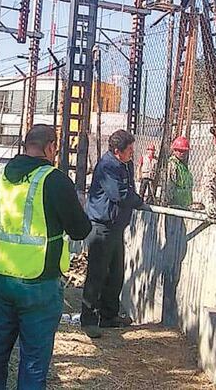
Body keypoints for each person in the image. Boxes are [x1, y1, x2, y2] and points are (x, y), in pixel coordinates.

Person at [0, 125, 91, 388]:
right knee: (33, 360)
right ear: (51, 147)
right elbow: (80, 230)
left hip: (2, 276)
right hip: (39, 282)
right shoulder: (54, 180)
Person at [82, 129, 144, 339]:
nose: (132, 153)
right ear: (118, 151)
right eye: (129, 150)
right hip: (102, 226)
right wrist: (138, 201)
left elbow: (129, 190)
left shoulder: (125, 165)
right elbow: (119, 194)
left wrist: (134, 199)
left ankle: (109, 316)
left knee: (116, 273)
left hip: (116, 226)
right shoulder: (108, 166)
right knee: (97, 274)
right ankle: (89, 320)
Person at [166, 136, 193, 208]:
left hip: (185, 204)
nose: (182, 153)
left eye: (184, 151)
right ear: (174, 150)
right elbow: (169, 185)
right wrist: (169, 201)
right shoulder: (172, 164)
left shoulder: (183, 166)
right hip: (175, 203)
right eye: (180, 151)